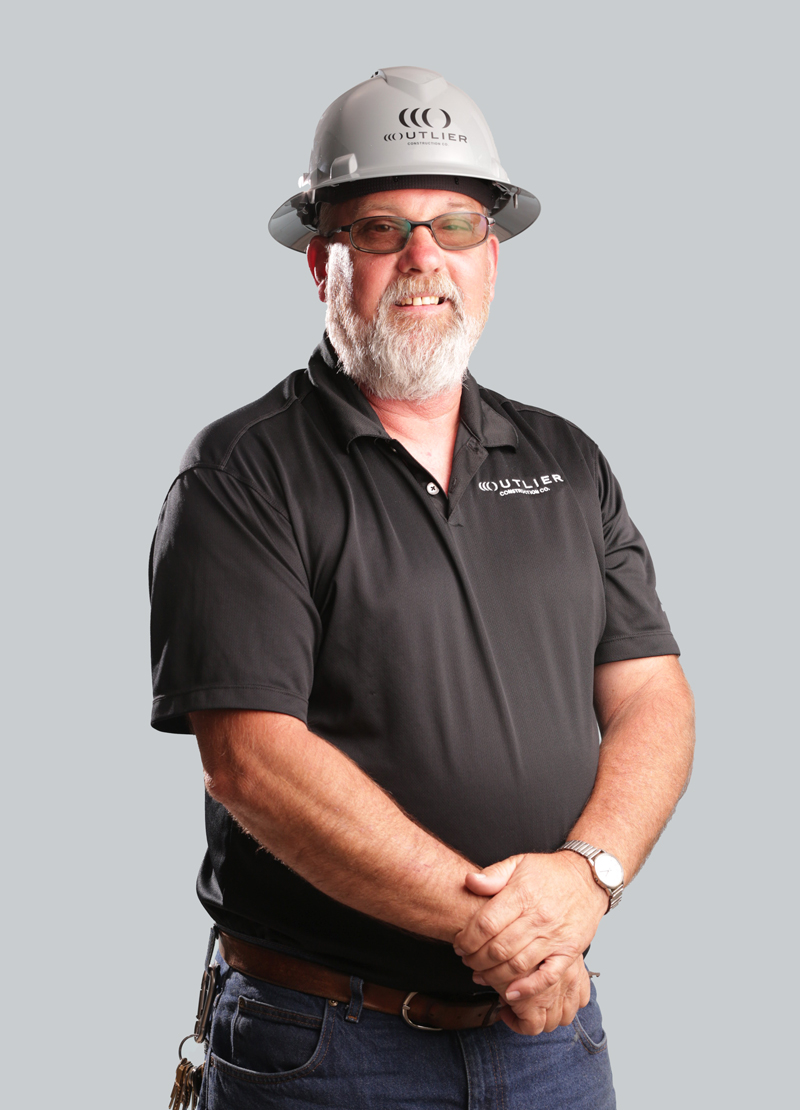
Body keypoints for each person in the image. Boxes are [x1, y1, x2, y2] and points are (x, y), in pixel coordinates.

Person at [150, 66, 695, 1109]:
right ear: (321, 260)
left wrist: (587, 878)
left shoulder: (567, 460)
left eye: (453, 226)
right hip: (326, 1047)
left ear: (491, 257)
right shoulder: (241, 473)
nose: (422, 258)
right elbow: (251, 760)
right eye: (380, 229)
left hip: (550, 1041)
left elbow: (651, 697)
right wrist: (511, 934)